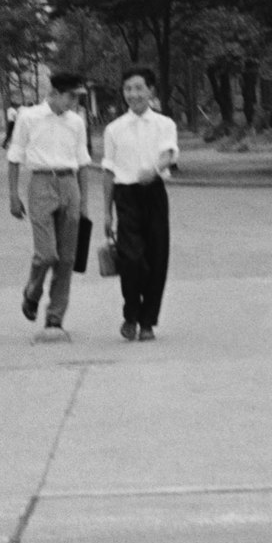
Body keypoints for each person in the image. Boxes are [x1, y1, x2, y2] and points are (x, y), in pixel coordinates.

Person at [6, 72, 93, 339]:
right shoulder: (29, 117)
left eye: (77, 98)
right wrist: (13, 194)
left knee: (66, 258)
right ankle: (32, 291)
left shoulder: (76, 122)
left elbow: (82, 162)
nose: (73, 102)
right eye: (70, 96)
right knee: (47, 254)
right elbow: (14, 157)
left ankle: (55, 317)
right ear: (54, 93)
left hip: (69, 183)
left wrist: (83, 202)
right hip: (41, 183)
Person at [101, 66, 178, 342]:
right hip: (126, 197)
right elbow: (108, 171)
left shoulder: (164, 124)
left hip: (154, 194)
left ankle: (147, 322)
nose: (133, 94)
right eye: (128, 89)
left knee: (157, 259)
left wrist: (155, 169)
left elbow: (168, 153)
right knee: (131, 259)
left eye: (138, 88)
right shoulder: (113, 129)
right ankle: (130, 314)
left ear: (151, 91)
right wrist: (107, 212)